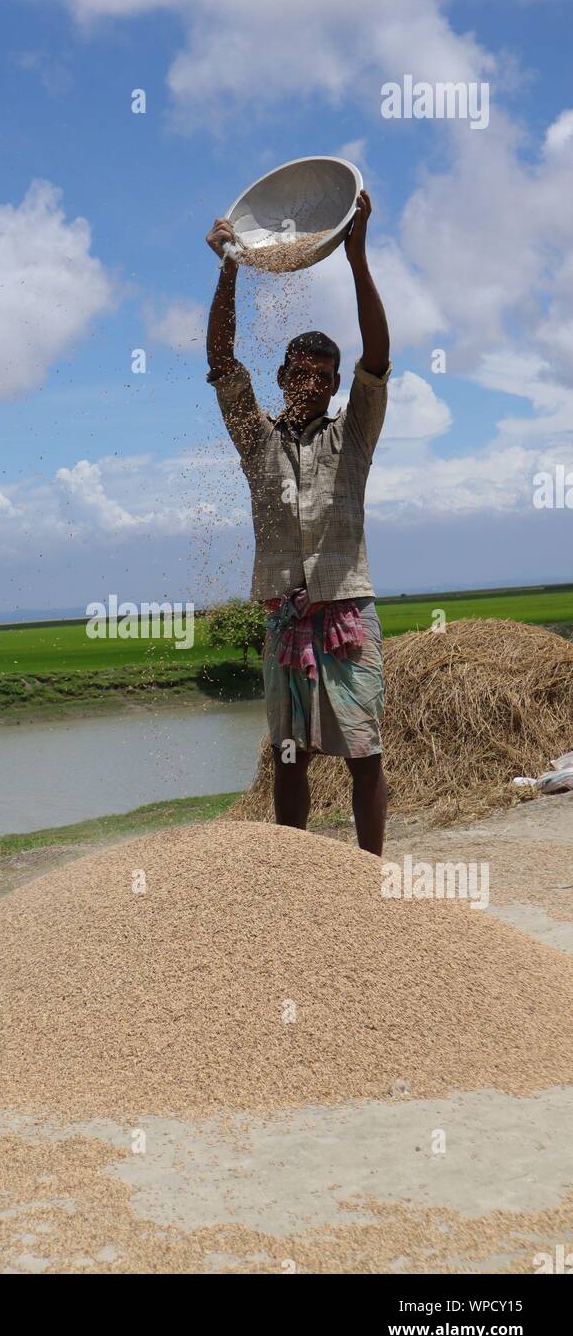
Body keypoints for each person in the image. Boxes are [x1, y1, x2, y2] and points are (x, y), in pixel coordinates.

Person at [205, 191, 391, 855]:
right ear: (283, 375)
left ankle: (371, 871)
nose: (310, 382)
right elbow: (223, 366)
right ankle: (296, 874)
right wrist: (230, 266)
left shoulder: (353, 436)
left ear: (337, 385)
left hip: (347, 611)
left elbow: (378, 353)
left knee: (364, 752)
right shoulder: (258, 441)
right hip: (285, 617)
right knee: (289, 754)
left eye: (323, 375)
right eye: (299, 371)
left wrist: (357, 254)